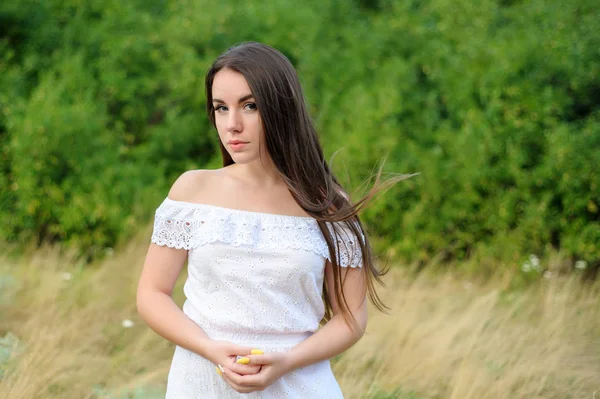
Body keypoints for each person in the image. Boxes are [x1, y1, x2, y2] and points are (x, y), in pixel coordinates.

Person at [136, 42, 405, 398]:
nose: (231, 124)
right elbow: (151, 294)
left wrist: (288, 361)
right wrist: (209, 348)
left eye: (250, 106)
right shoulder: (192, 191)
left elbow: (351, 319)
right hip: (202, 384)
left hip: (299, 386)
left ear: (281, 108)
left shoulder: (326, 204)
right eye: (220, 108)